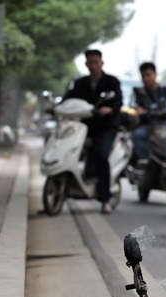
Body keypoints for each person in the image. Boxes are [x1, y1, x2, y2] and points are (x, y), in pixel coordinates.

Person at [64, 49, 122, 214]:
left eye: (96, 62)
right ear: (86, 64)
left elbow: (118, 101)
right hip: (84, 125)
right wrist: (56, 108)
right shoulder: (80, 83)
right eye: (90, 62)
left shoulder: (112, 82)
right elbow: (69, 98)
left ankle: (104, 199)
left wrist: (109, 109)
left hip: (105, 127)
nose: (93, 65)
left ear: (101, 63)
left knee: (101, 155)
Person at [131, 62, 166, 165]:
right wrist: (138, 110)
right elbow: (134, 106)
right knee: (138, 135)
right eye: (143, 76)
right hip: (147, 125)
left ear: (155, 74)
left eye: (148, 75)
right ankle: (143, 160)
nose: (146, 78)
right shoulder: (138, 92)